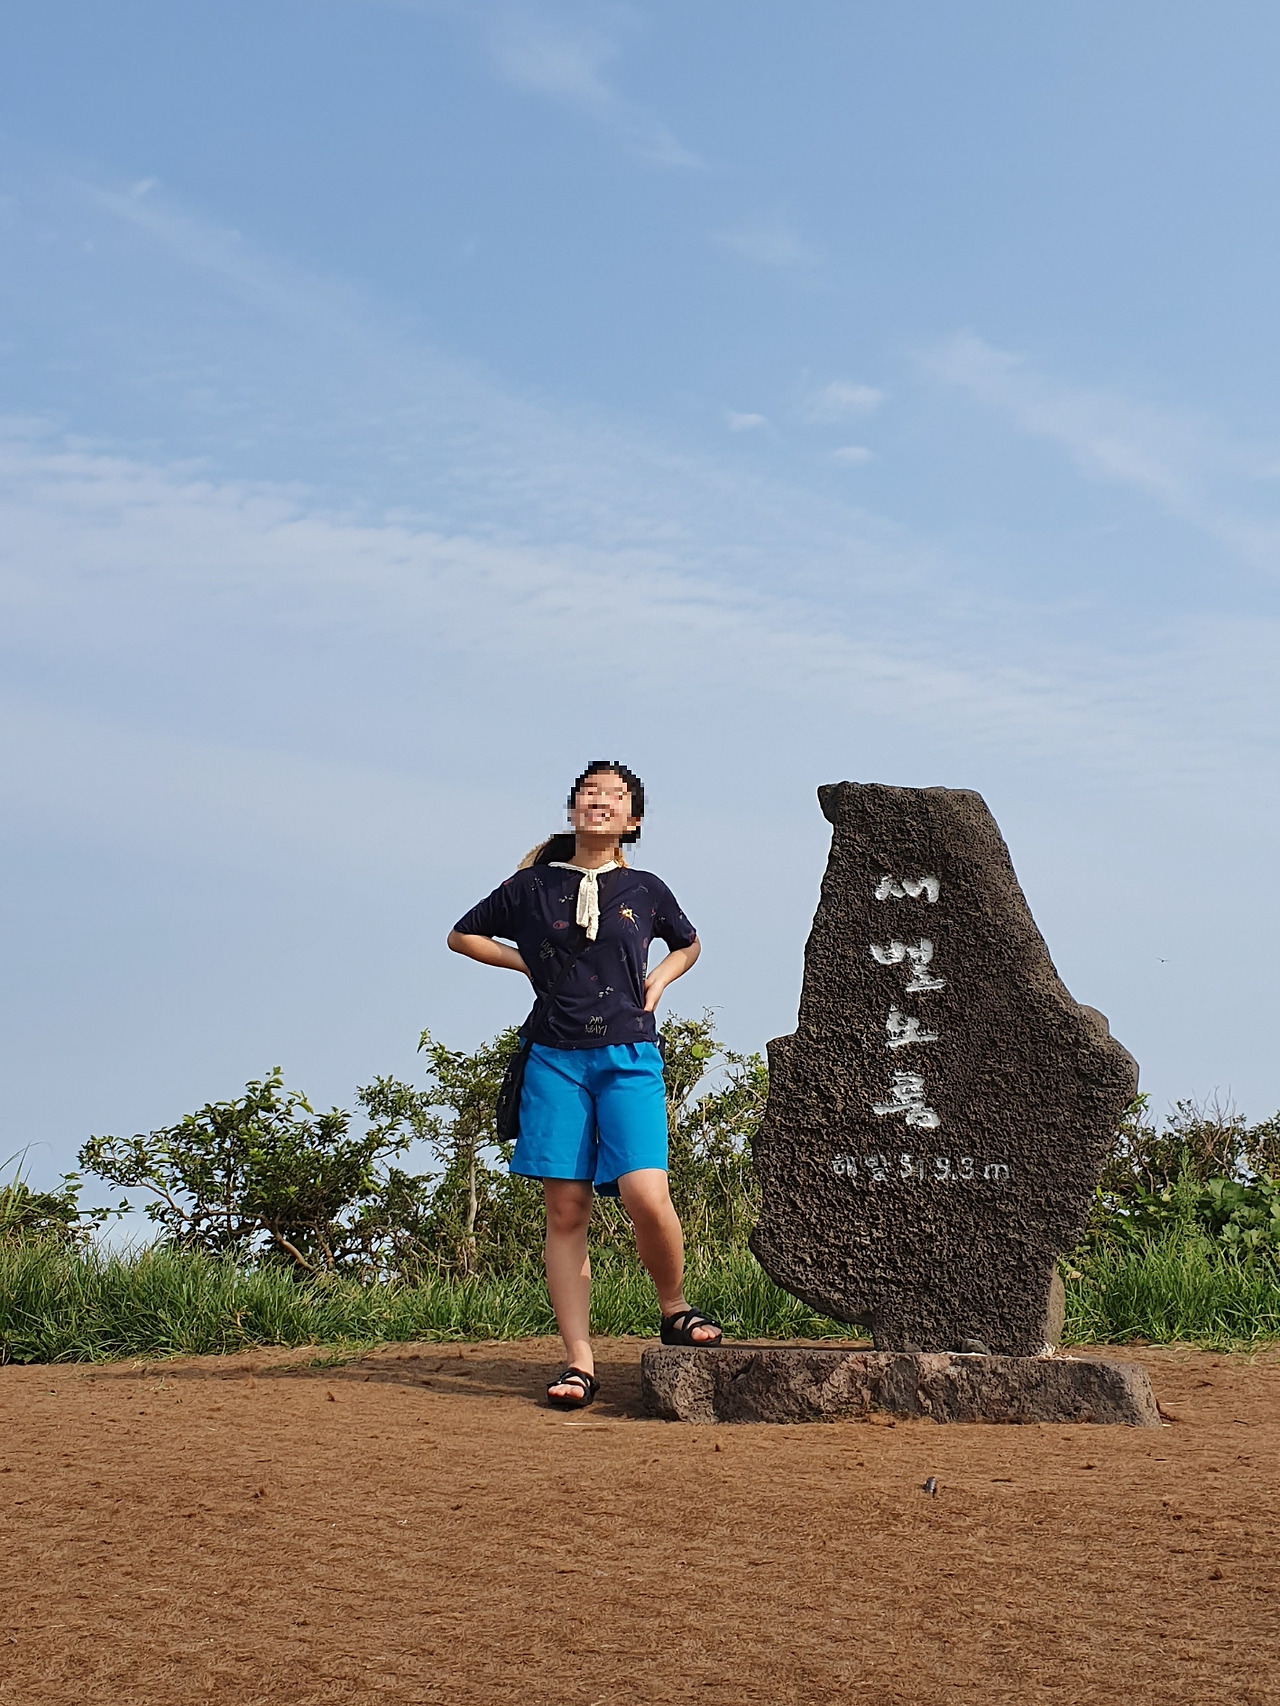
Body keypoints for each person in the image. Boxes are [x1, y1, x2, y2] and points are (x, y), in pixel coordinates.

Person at [447, 760, 723, 1409]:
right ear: (572, 809)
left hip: (629, 1053)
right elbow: (462, 935)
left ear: (634, 819)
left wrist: (660, 979)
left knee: (646, 1194)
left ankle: (674, 1307)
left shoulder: (646, 888)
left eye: (615, 795)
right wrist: (525, 964)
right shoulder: (531, 887)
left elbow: (688, 943)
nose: (601, 801)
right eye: (590, 792)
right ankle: (578, 1361)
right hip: (554, 1058)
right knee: (566, 1210)